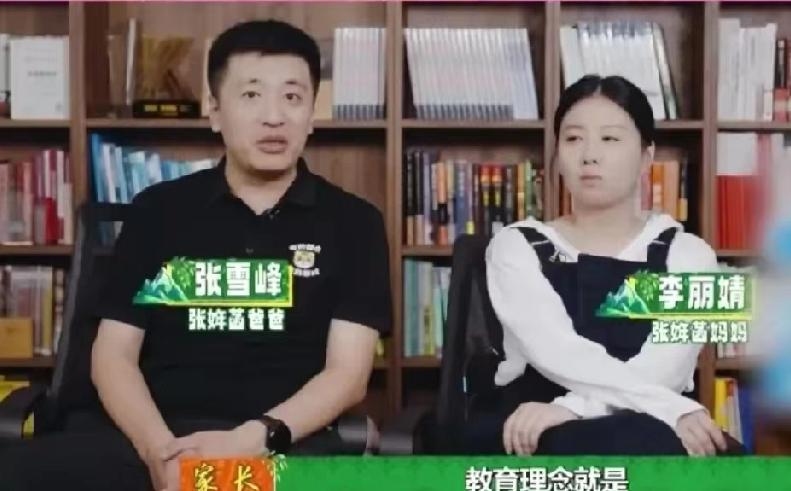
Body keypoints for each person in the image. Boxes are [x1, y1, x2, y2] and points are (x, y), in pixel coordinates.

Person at [0, 19, 391, 491]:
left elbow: (348, 375)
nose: (274, 117)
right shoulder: (160, 211)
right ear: (215, 111)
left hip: (281, 442)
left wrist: (248, 441)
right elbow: (113, 355)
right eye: (251, 95)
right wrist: (160, 451)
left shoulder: (353, 222)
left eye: (292, 97)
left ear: (311, 115)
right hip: (148, 437)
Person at [466, 74, 735, 456]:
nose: (589, 155)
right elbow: (557, 352)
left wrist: (573, 408)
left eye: (610, 138)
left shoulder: (691, 255)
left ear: (646, 157)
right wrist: (671, 409)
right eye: (573, 139)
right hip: (531, 423)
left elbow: (668, 369)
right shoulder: (517, 245)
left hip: (650, 420)